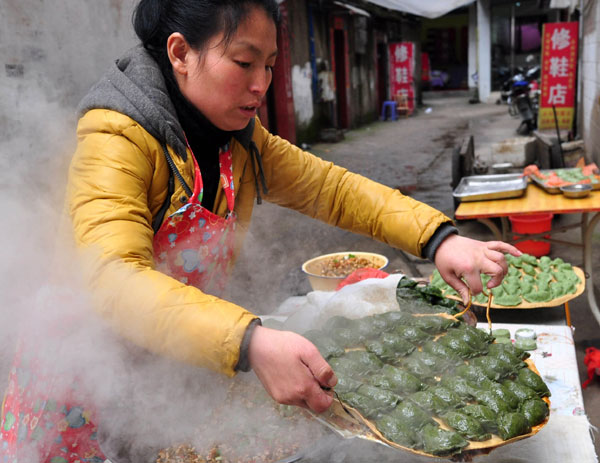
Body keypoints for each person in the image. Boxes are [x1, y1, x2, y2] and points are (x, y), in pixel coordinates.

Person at [0, 0, 520, 461]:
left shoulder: (240, 140)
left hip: (175, 362)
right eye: (244, 62)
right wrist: (249, 342)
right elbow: (111, 279)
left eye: (269, 65)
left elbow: (333, 189)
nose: (261, 84)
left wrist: (439, 238)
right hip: (85, 386)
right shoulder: (116, 136)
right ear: (180, 53)